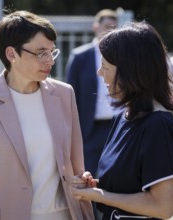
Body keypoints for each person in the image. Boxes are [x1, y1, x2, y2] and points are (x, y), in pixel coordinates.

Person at [0, 10, 93, 220]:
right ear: (12, 54)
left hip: (66, 215)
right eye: (41, 53)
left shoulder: (64, 94)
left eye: (52, 52)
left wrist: (82, 179)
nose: (50, 60)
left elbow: (77, 167)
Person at [70, 21, 173, 220]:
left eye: (105, 66)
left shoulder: (157, 126)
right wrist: (96, 185)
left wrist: (102, 196)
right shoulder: (123, 117)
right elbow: (129, 185)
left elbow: (163, 206)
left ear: (131, 71)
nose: (99, 73)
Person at [65, 9, 118, 177]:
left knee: (114, 174)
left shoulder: (121, 56)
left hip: (116, 125)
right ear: (96, 27)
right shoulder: (80, 56)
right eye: (106, 26)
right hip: (89, 128)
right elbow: (70, 94)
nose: (109, 30)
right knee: (87, 174)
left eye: (114, 27)